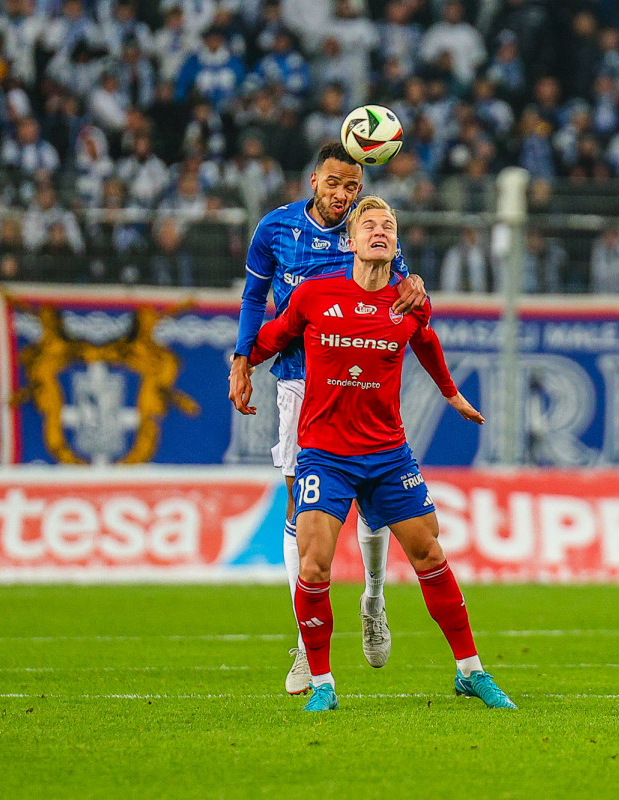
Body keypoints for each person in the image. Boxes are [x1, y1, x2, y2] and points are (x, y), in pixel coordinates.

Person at [246, 196, 516, 712]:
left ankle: (470, 671)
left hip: (388, 454)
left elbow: (427, 341)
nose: (379, 231)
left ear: (396, 244)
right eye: (368, 224)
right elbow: (273, 336)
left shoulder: (406, 302)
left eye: (388, 226)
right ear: (349, 241)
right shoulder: (314, 295)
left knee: (430, 554)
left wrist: (450, 393)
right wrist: (242, 364)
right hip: (325, 455)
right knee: (314, 565)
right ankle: (322, 683)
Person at [227, 142, 428, 695]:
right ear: (314, 179)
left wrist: (415, 285)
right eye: (334, 183)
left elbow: (407, 294)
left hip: (361, 381)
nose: (343, 195)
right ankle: (304, 641)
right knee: (299, 507)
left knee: (373, 500)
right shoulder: (275, 228)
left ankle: (373, 599)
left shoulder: (366, 228)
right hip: (299, 383)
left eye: (352, 187)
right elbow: (254, 297)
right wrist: (243, 358)